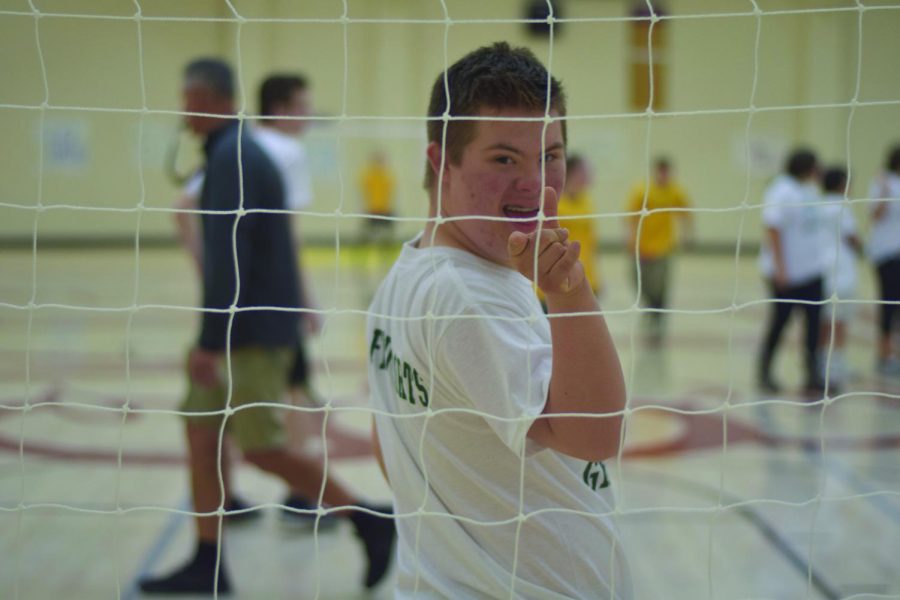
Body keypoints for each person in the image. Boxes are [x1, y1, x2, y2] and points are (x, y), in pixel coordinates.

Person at [367, 42, 631, 598]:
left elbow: (389, 443)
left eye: (550, 155)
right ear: (441, 159)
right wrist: (569, 290)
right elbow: (596, 433)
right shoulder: (470, 296)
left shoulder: (409, 269)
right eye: (504, 159)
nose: (535, 184)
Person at [139, 58, 394, 595]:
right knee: (201, 433)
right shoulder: (232, 152)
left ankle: (367, 517)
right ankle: (208, 562)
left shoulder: (235, 157)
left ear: (210, 99)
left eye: (189, 99)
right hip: (237, 322)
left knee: (260, 449)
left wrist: (211, 338)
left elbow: (231, 258)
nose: (184, 110)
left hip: (249, 330)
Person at [252, 73, 333, 526]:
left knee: (224, 391)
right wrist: (306, 299)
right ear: (281, 109)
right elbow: (288, 233)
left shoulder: (237, 145)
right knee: (297, 386)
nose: (309, 115)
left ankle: (225, 496)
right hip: (274, 293)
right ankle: (301, 498)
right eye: (303, 105)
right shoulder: (287, 152)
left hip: (232, 295)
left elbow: (184, 210)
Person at [756, 148, 827, 396]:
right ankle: (764, 372)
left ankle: (813, 374)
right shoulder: (781, 190)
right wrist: (780, 269)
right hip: (787, 274)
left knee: (814, 325)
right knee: (780, 323)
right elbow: (773, 228)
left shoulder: (809, 189)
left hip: (812, 271)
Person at [625, 157, 693, 345]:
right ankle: (650, 309)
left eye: (666, 172)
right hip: (642, 247)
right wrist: (630, 240)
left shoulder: (675, 191)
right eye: (660, 171)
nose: (663, 175)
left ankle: (658, 320)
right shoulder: (641, 191)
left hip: (663, 248)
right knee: (640, 284)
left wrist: (687, 236)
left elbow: (686, 213)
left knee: (661, 286)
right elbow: (630, 217)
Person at [818, 167, 863, 386]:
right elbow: (852, 238)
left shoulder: (816, 204)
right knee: (841, 318)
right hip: (842, 268)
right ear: (841, 184)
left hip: (821, 267)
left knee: (825, 318)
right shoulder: (842, 207)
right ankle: (837, 363)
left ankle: (820, 361)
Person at [868, 144, 900, 377]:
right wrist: (885, 192)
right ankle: (885, 353)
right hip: (886, 252)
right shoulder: (882, 182)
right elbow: (875, 216)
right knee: (889, 302)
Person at [558, 154, 601, 295]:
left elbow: (591, 243)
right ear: (570, 173)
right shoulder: (555, 203)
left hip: (585, 277)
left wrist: (596, 279)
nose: (588, 175)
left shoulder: (587, 202)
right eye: (583, 171)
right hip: (558, 280)